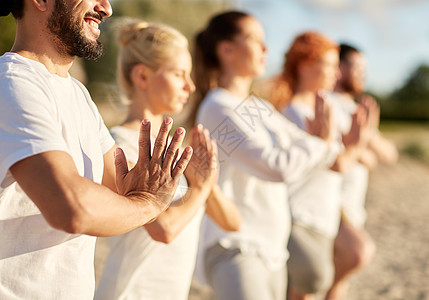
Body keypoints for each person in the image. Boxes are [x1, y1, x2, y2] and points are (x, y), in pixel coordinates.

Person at [0, 1, 192, 299]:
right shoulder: (13, 84)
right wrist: (149, 203)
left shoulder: (78, 94)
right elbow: (74, 208)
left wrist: (150, 193)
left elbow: (120, 189)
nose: (107, 8)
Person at [193, 11, 340, 300]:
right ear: (226, 50)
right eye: (255, 40)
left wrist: (320, 144)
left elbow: (325, 151)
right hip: (236, 248)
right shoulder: (218, 107)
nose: (266, 48)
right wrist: (319, 143)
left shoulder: (255, 106)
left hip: (272, 249)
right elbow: (278, 166)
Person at [94, 20, 241, 300]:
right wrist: (199, 188)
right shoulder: (117, 146)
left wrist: (207, 179)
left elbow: (232, 222)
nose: (190, 85)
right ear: (142, 77)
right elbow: (164, 229)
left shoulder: (173, 152)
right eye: (178, 74)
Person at [253, 32, 370, 300]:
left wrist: (353, 145)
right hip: (301, 214)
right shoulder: (293, 112)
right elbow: (337, 164)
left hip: (322, 214)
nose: (335, 73)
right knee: (308, 285)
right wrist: (355, 144)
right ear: (306, 65)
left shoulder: (319, 108)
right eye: (329, 65)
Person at [325, 43, 398, 300]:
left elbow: (387, 154)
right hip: (333, 203)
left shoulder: (356, 109)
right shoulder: (328, 104)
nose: (363, 75)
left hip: (353, 205)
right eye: (357, 67)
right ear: (339, 67)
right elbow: (341, 154)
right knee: (358, 253)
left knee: (338, 280)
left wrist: (364, 140)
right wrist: (363, 148)